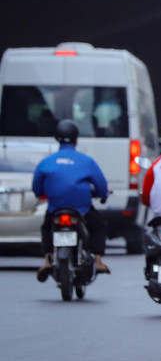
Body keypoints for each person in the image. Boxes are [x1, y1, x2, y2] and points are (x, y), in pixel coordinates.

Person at [33, 119, 112, 281]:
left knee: (47, 228)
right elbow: (101, 186)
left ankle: (47, 260)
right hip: (82, 210)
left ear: (57, 138)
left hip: (55, 209)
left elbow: (37, 188)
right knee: (99, 226)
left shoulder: (47, 162)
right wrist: (104, 194)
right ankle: (98, 261)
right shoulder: (86, 161)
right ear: (76, 139)